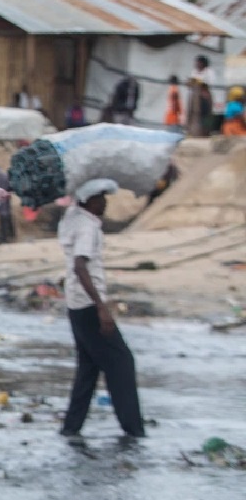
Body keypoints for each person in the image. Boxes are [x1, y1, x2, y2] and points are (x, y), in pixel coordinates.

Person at [58, 178, 145, 438]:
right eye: (101, 197)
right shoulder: (88, 228)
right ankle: (133, 430)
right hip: (87, 304)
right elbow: (80, 266)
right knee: (122, 363)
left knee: (88, 369)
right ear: (90, 200)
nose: (105, 202)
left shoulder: (72, 217)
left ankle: (71, 429)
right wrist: (102, 308)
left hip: (75, 304)